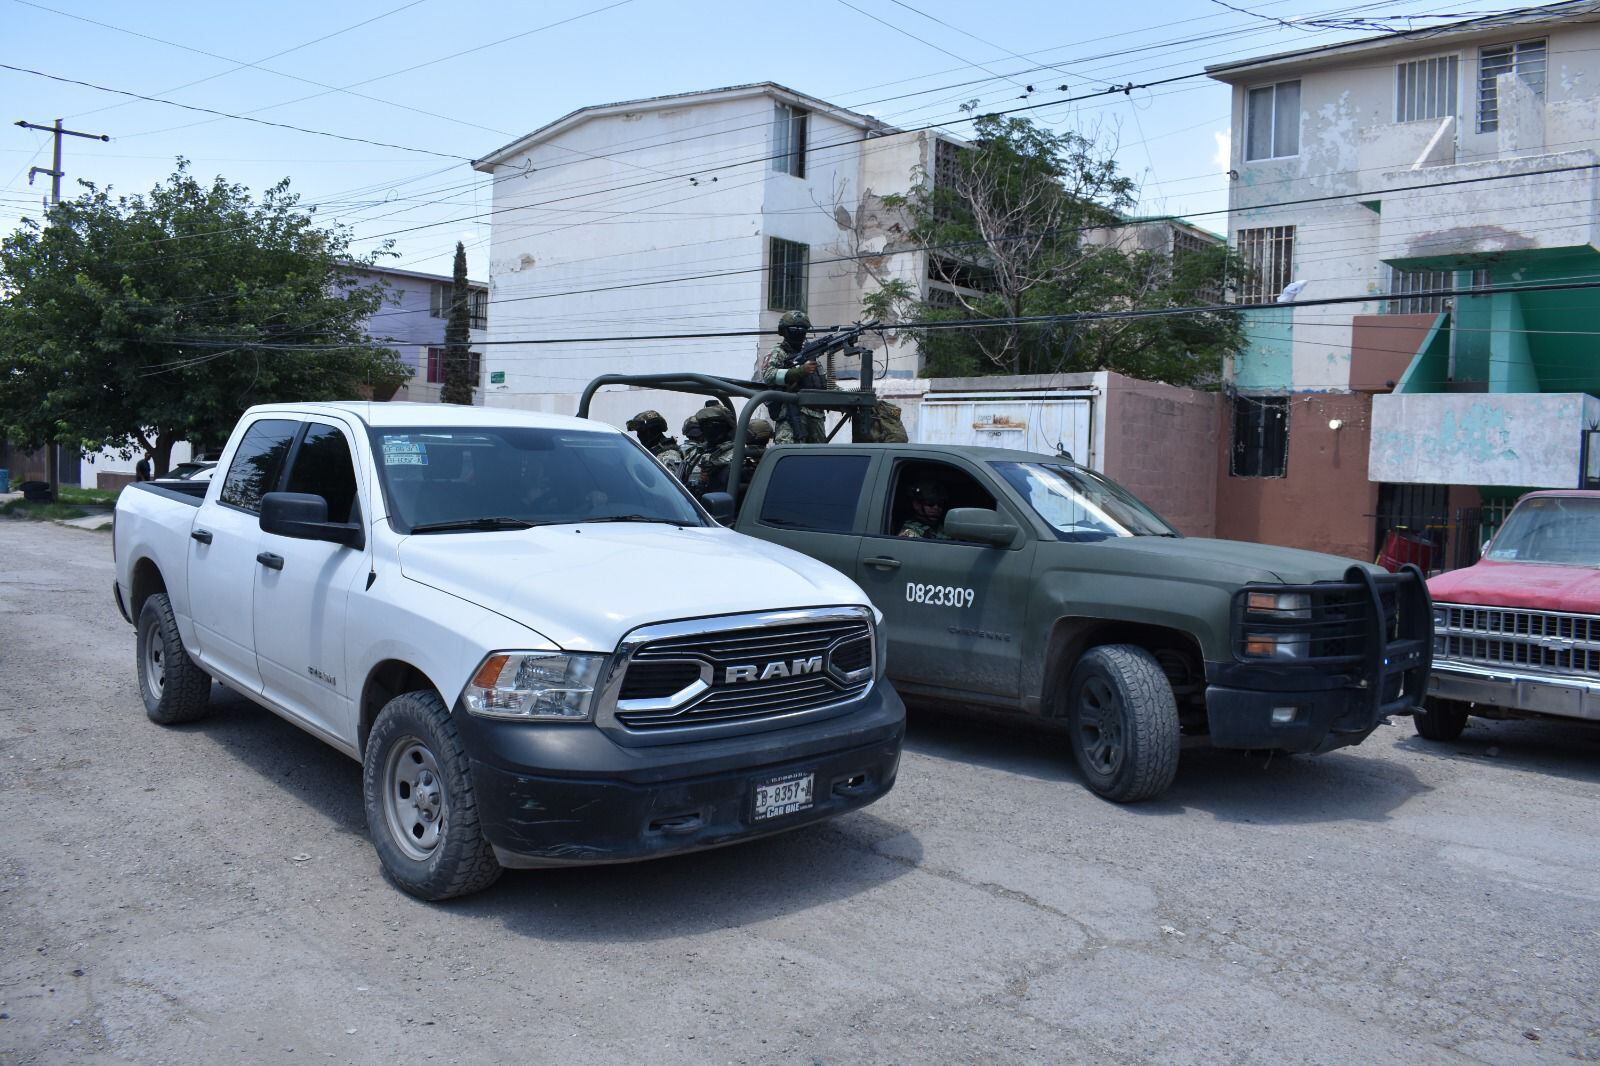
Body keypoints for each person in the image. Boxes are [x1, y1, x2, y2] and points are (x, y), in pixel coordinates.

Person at [759, 309, 828, 444]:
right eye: (794, 330)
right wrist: (800, 371)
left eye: (801, 330)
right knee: (787, 452)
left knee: (820, 457)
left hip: (815, 415)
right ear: (784, 331)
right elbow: (768, 375)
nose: (798, 333)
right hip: (791, 414)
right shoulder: (778, 352)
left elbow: (825, 383)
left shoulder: (810, 355)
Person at [680, 406, 736, 498]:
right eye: (704, 426)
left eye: (711, 426)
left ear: (725, 427)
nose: (707, 429)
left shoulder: (737, 454)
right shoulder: (696, 452)